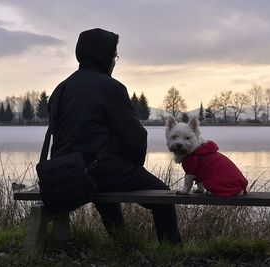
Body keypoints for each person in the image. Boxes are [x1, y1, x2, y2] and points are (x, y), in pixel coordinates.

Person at [48, 28, 181, 243]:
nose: (114, 61)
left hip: (67, 172)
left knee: (103, 188)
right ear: (104, 55)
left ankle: (122, 244)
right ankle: (172, 248)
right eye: (114, 55)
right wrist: (133, 164)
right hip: (99, 170)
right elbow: (134, 136)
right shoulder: (110, 88)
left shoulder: (61, 88)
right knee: (162, 195)